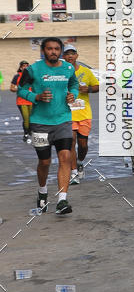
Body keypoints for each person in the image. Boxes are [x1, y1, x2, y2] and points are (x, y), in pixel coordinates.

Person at [17, 37, 79, 215]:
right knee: (44, 162)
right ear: (43, 51)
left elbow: (74, 84)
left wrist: (72, 94)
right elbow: (21, 89)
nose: (53, 52)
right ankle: (42, 191)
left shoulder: (68, 68)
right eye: (50, 49)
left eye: (57, 49)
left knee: (65, 157)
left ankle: (62, 200)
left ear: (60, 51)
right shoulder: (33, 69)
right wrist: (35, 97)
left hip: (63, 120)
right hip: (40, 122)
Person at [62, 47, 99, 186]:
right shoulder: (60, 72)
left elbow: (96, 86)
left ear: (77, 55)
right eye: (67, 54)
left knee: (83, 145)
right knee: (71, 142)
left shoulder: (86, 71)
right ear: (63, 56)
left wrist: (88, 89)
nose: (70, 56)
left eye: (72, 53)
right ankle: (73, 173)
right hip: (67, 113)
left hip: (83, 113)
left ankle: (79, 162)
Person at [11, 60, 33, 142]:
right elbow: (12, 88)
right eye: (23, 66)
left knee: (32, 118)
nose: (25, 67)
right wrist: (18, 89)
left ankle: (31, 132)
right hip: (21, 101)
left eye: (27, 66)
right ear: (20, 67)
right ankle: (26, 133)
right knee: (26, 118)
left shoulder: (32, 76)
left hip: (31, 100)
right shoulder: (17, 76)